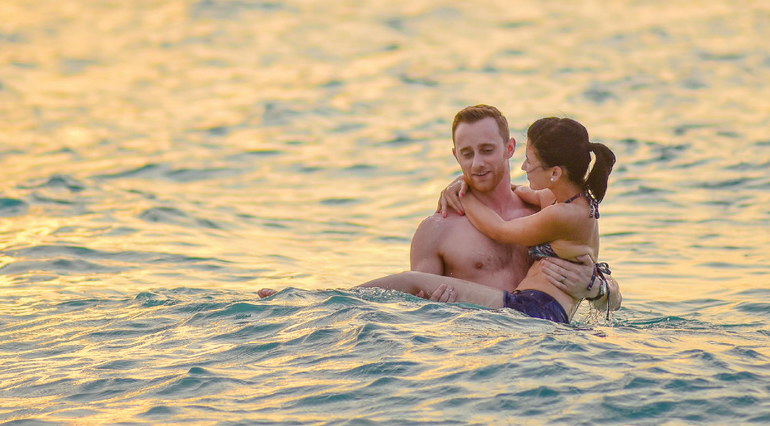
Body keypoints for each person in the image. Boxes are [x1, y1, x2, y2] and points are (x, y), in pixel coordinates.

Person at [258, 105, 621, 321]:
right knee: (411, 282)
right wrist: (437, 311)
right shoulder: (439, 229)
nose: (476, 164)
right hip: (477, 358)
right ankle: (315, 304)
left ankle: (313, 302)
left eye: (487, 150)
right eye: (466, 154)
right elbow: (412, 317)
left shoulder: (547, 210)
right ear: (455, 156)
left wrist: (598, 288)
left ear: (509, 148)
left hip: (540, 336)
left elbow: (611, 297)